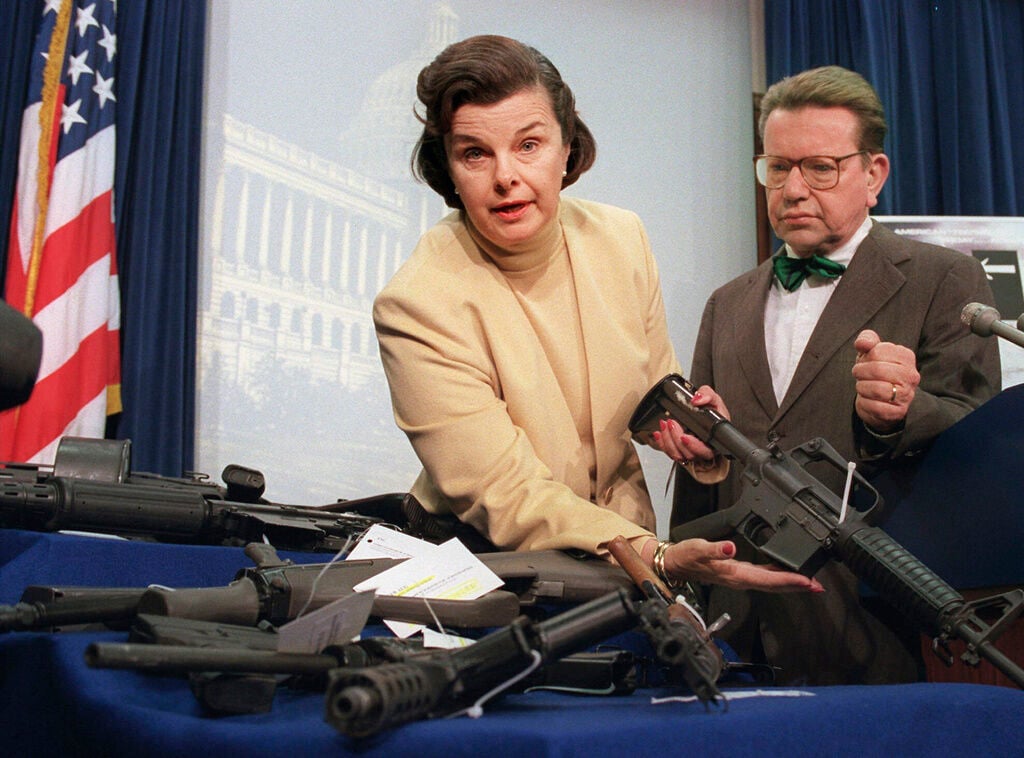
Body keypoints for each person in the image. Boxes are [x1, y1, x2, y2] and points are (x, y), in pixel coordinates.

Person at [373, 35, 822, 596]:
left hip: (623, 557)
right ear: (448, 169)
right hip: (489, 575)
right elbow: (506, 493)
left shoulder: (621, 238)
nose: (505, 176)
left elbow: (655, 397)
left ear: (567, 148)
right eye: (475, 153)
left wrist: (693, 437)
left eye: (529, 144)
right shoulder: (416, 303)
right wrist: (652, 557)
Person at [667, 65, 1002, 685]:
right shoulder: (726, 302)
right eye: (777, 167)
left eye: (820, 168)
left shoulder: (943, 279)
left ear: (873, 175)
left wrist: (904, 411)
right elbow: (708, 475)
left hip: (876, 627)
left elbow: (982, 442)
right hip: (735, 630)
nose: (793, 189)